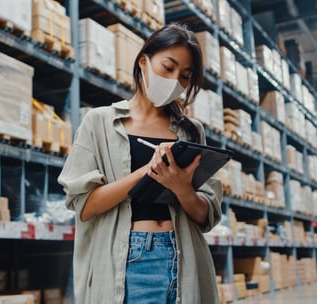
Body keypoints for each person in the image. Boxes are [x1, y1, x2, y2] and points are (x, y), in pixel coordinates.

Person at [58, 23, 222, 304]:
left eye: (185, 76)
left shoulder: (191, 131)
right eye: (168, 68)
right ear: (144, 62)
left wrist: (182, 189)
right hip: (131, 261)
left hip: (185, 257)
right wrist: (148, 171)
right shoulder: (100, 122)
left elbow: (207, 217)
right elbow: (84, 206)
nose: (175, 81)